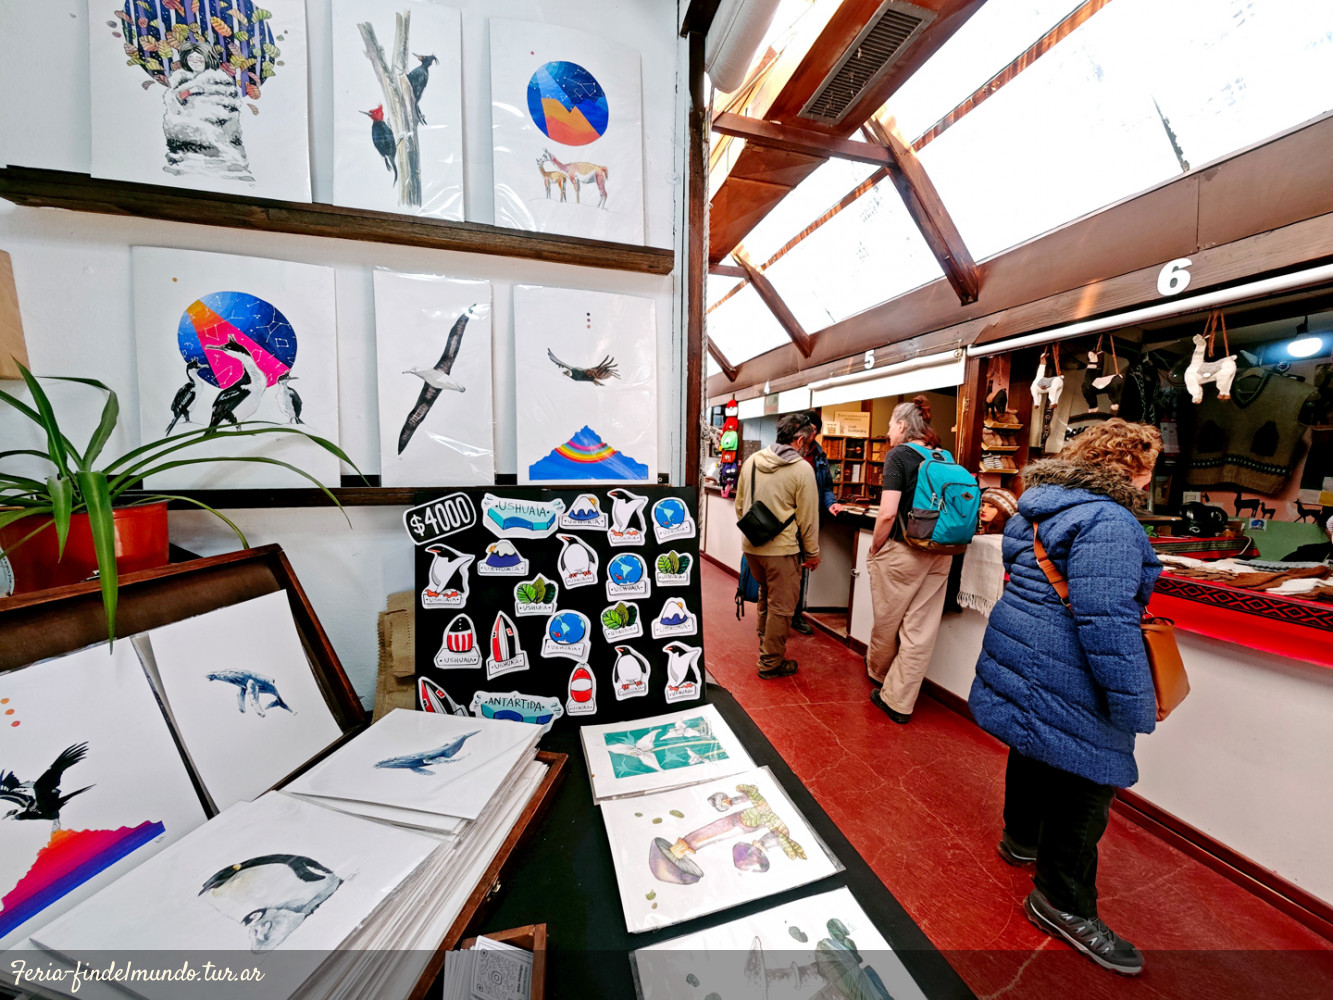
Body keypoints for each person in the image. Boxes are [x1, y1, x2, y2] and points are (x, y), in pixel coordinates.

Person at [969, 419, 1163, 976]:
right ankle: (1062, 901)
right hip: (1070, 665)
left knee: (1034, 742)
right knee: (1090, 775)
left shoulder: (1041, 507)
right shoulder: (1110, 522)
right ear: (1132, 468)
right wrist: (1134, 704)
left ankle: (1020, 838)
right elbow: (1107, 622)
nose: (1150, 481)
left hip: (1029, 649)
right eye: (1149, 469)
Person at [866, 396, 951, 723]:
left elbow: (887, 514)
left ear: (902, 425)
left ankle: (878, 676)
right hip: (941, 553)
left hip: (906, 551)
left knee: (887, 622)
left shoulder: (899, 455)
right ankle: (899, 702)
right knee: (920, 630)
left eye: (890, 425)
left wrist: (875, 548)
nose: (888, 432)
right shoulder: (944, 456)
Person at [734, 413, 821, 679]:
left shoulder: (752, 461)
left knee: (766, 593)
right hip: (782, 550)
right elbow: (808, 517)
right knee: (782, 608)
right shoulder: (801, 469)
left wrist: (755, 534)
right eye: (809, 441)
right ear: (800, 440)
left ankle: (765, 641)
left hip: (752, 547)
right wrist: (812, 553)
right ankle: (770, 662)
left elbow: (740, 506)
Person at [790, 410, 844, 636]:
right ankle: (775, 617)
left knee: (802, 570)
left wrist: (831, 503)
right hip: (786, 521)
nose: (808, 434)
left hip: (809, 521)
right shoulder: (789, 451)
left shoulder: (820, 456)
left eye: (812, 430)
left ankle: (795, 616)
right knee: (782, 570)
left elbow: (827, 487)